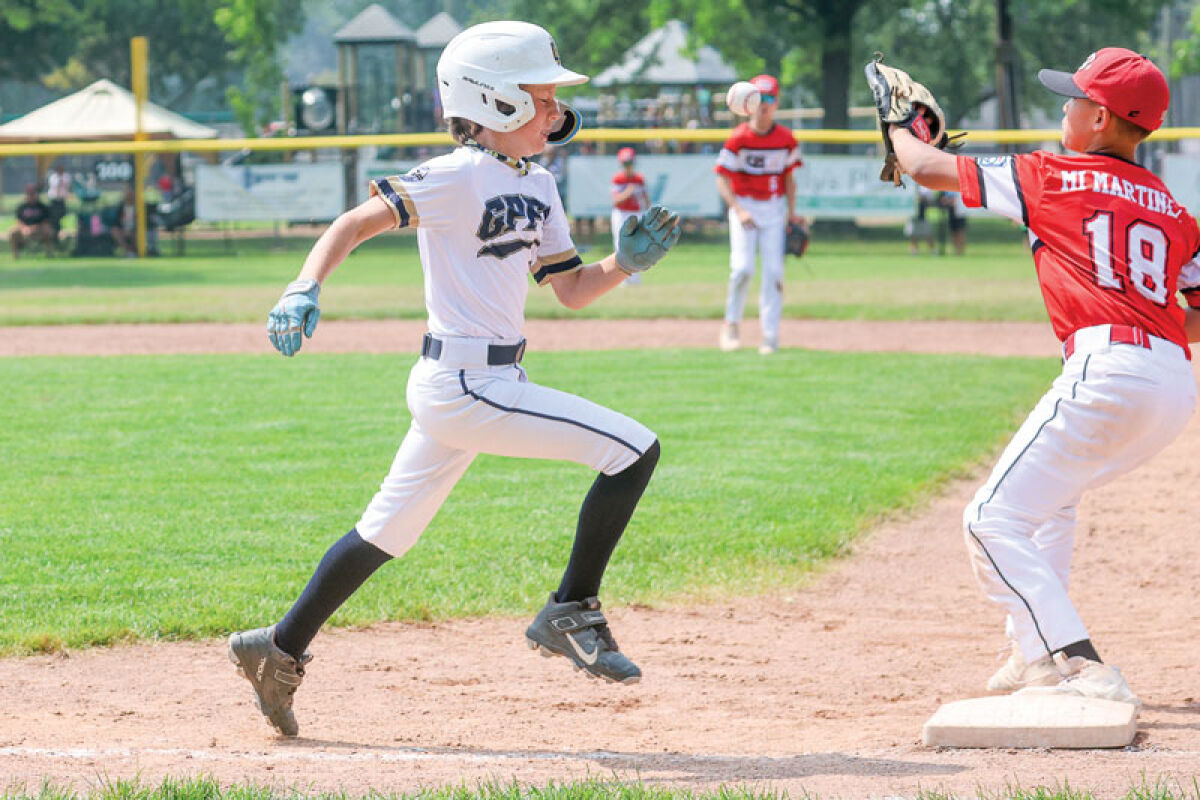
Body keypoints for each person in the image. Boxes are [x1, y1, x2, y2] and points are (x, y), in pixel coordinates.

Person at [227, 20, 682, 738]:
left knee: (385, 532)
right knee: (633, 450)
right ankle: (573, 607)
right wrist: (302, 286)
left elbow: (569, 290)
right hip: (466, 383)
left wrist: (624, 266)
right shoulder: (451, 175)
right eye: (542, 97)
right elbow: (352, 223)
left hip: (478, 384)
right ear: (494, 102)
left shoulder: (540, 184)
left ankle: (276, 648)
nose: (557, 112)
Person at [882, 48, 1200, 705]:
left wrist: (897, 127)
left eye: (1075, 98)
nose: (1065, 105)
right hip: (1171, 382)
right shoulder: (1172, 206)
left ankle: (1079, 663)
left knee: (986, 520)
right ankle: (1034, 655)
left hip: (1108, 373)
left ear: (1101, 118)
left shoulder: (1053, 173)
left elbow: (926, 167)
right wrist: (1153, 325)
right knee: (1051, 503)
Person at [714, 74, 805, 355]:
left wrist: (792, 214)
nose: (764, 104)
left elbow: (790, 178)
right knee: (742, 269)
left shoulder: (786, 139)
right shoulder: (740, 137)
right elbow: (721, 177)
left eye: (769, 99)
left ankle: (770, 335)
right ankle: (731, 324)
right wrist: (738, 209)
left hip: (773, 208)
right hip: (744, 206)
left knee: (774, 272)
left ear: (776, 103)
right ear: (748, 102)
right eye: (759, 98)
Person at [611, 146, 651, 286]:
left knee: (636, 247)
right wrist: (629, 191)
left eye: (630, 163)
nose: (628, 166)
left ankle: (634, 279)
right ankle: (621, 279)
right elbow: (616, 200)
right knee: (620, 245)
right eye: (625, 163)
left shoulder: (639, 179)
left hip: (635, 214)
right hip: (621, 214)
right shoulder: (619, 179)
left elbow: (646, 201)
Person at [9, 184, 54, 258]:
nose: (31, 196)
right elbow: (18, 222)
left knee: (48, 231)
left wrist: (35, 228)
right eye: (29, 194)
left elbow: (46, 222)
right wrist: (25, 228)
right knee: (12, 232)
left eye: (33, 194)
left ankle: (49, 254)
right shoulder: (21, 207)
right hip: (24, 231)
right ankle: (16, 256)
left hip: (39, 230)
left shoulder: (43, 207)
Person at [46, 164, 72, 238]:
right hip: (54, 200)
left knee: (61, 216)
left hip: (62, 200)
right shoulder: (53, 177)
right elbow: (56, 185)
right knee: (54, 218)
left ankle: (58, 230)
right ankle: (55, 232)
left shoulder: (66, 176)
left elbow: (68, 186)